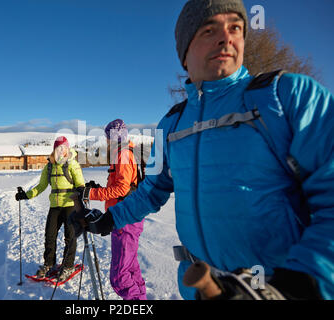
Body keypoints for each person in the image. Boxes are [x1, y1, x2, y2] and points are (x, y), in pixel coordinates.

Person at [71, 0, 334, 300]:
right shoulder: (171, 124)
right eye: (210, 29)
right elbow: (150, 191)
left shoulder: (286, 97)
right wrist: (108, 220)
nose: (226, 37)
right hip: (199, 288)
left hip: (274, 289)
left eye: (235, 27)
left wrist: (303, 284)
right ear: (184, 52)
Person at [83, 119, 147, 300]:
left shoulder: (123, 154)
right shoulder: (124, 153)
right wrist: (97, 187)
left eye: (107, 137)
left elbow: (122, 189)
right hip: (127, 215)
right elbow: (120, 185)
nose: (106, 141)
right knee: (131, 269)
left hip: (125, 218)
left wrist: (91, 193)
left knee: (119, 277)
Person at [16, 136, 85, 281]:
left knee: (70, 237)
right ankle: (49, 264)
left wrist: (81, 192)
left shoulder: (72, 164)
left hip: (70, 205)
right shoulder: (49, 167)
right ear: (54, 150)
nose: (61, 151)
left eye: (63, 148)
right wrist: (26, 195)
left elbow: (80, 183)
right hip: (55, 206)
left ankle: (67, 266)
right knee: (50, 235)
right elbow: (41, 187)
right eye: (58, 148)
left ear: (67, 149)